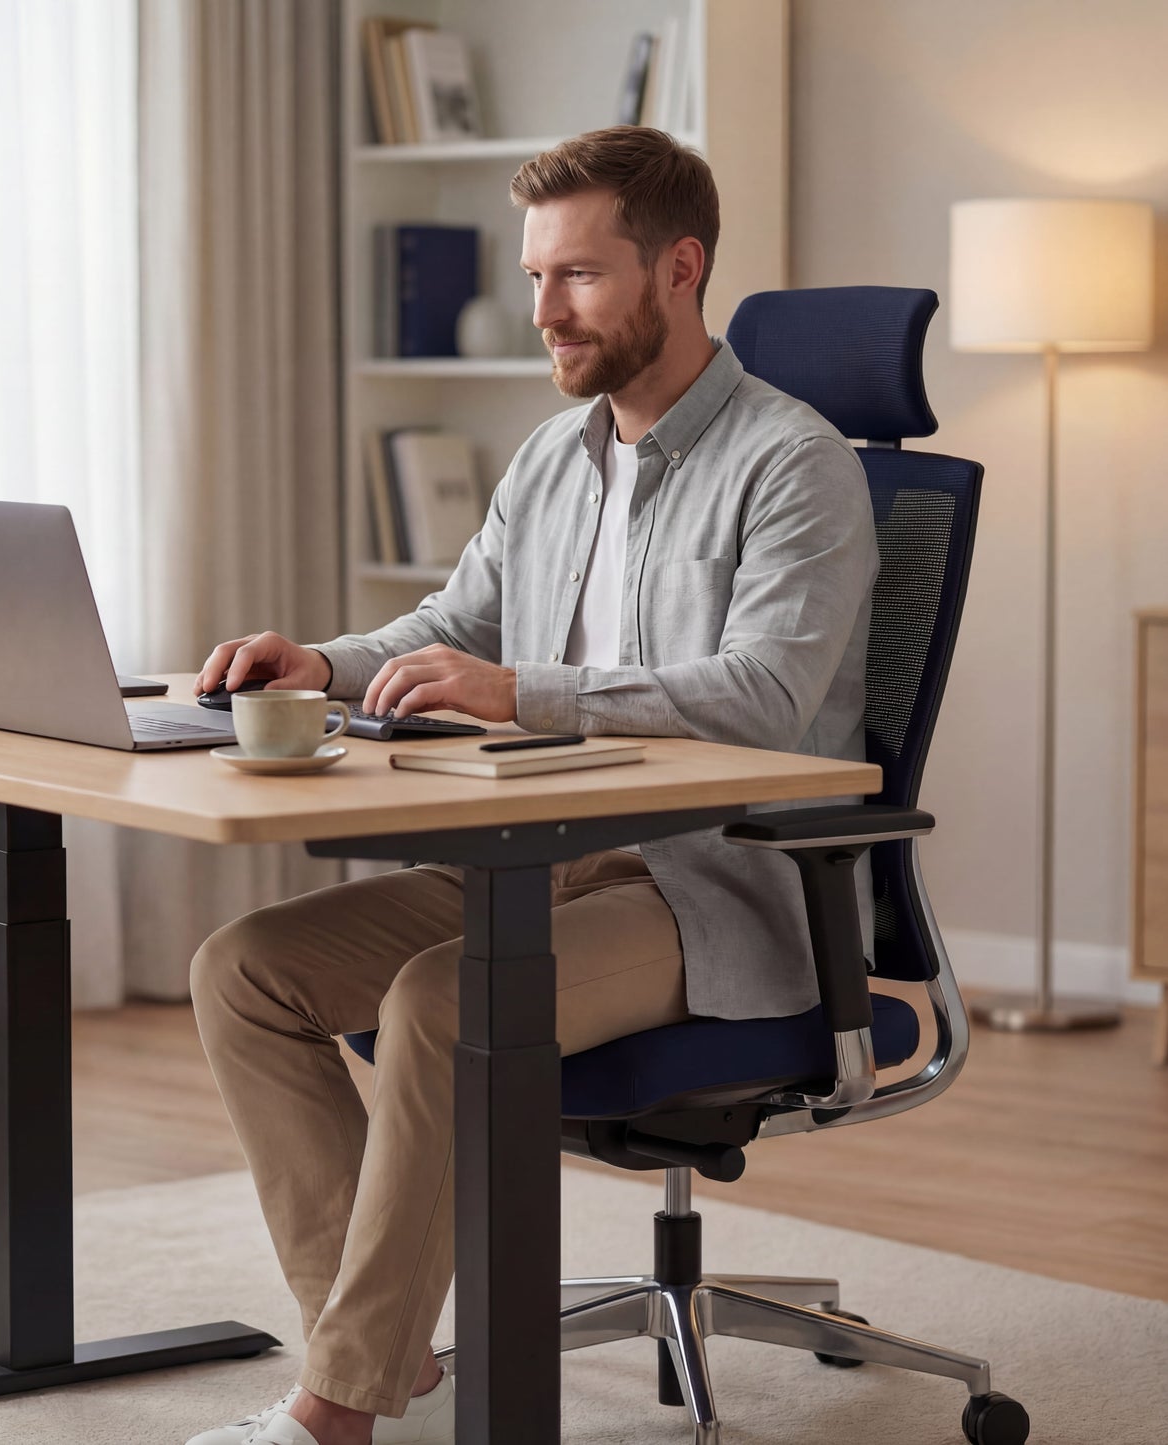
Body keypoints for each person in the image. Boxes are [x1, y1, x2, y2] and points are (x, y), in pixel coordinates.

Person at [185, 126, 877, 1445]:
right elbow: (452, 625)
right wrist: (321, 658)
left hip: (707, 884)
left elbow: (759, 698)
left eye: (577, 277)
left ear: (678, 271)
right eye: (534, 274)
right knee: (246, 969)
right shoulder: (553, 460)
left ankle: (334, 1409)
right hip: (535, 854)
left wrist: (522, 692)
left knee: (447, 998)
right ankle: (377, 1338)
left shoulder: (795, 465)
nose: (542, 312)